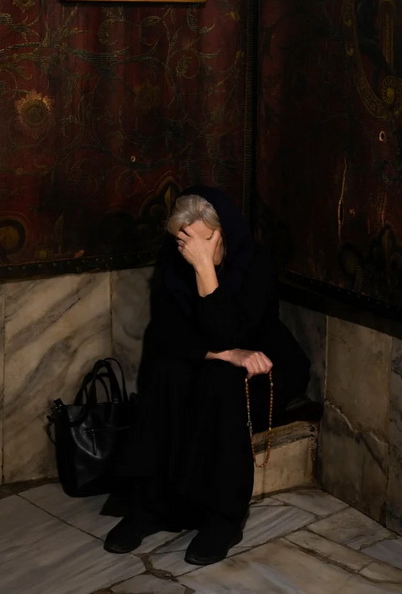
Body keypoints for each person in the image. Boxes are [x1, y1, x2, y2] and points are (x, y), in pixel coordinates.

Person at [103, 186, 310, 566]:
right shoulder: (174, 261)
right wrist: (224, 353)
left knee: (220, 381)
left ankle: (223, 520)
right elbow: (166, 334)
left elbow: (232, 333)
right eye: (185, 243)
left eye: (203, 242)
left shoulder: (256, 263)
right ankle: (149, 506)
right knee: (165, 372)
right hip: (215, 355)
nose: (190, 251)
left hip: (264, 363)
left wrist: (205, 271)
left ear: (223, 233)